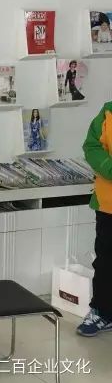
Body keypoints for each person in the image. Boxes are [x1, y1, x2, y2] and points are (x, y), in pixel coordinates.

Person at [79, 104, 112, 336]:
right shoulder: (108, 112)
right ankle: (102, 312)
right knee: (106, 262)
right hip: (108, 205)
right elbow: (92, 147)